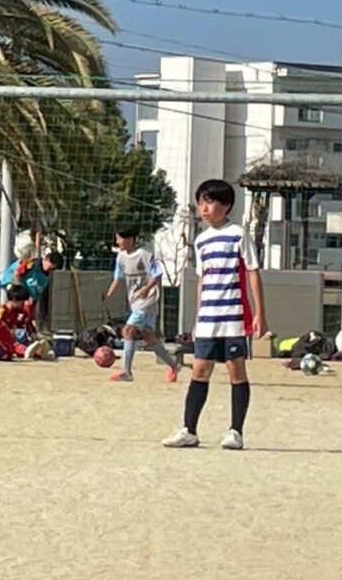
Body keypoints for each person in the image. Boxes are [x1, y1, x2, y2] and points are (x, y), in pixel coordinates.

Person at [163, 179, 267, 451]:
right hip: (208, 319)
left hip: (233, 317)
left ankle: (236, 432)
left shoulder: (238, 234)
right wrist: (198, 318)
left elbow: (253, 272)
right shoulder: (201, 241)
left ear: (227, 205)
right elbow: (202, 280)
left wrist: (260, 314)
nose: (204, 209)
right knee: (199, 370)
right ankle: (189, 430)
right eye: (200, 203)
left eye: (209, 202)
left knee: (236, 371)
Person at [104, 225, 180, 383]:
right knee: (148, 336)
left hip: (148, 299)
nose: (117, 242)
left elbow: (157, 275)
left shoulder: (145, 255)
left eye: (120, 238)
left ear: (130, 239)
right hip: (135, 301)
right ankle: (174, 365)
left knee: (127, 330)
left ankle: (126, 372)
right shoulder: (121, 258)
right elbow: (117, 277)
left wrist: (146, 289)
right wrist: (109, 293)